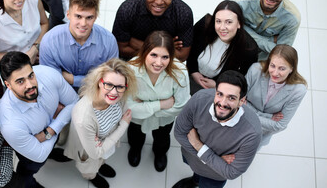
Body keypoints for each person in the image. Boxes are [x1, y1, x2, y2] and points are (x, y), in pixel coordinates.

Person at [0, 51, 79, 188]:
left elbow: (74, 102)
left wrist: (48, 132)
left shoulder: (47, 74)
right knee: (29, 169)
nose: (30, 85)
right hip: (31, 158)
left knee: (51, 147)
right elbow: (40, 155)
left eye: (31, 76)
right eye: (20, 81)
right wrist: (59, 119)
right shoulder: (9, 124)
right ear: (8, 85)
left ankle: (53, 153)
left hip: (48, 135)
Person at [173, 70, 261, 188]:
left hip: (215, 175)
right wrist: (216, 159)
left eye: (231, 98)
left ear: (242, 101)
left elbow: (231, 172)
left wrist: (198, 145)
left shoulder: (252, 132)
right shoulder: (200, 98)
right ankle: (195, 181)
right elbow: (179, 133)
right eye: (220, 94)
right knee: (196, 173)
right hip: (194, 160)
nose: (222, 103)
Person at [64, 59, 137, 188]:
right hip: (89, 153)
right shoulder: (84, 117)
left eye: (120, 87)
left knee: (102, 158)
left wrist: (102, 143)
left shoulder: (119, 98)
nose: (114, 92)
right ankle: (92, 177)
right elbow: (94, 153)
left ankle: (102, 165)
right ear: (99, 82)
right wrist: (124, 125)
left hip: (104, 143)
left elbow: (122, 111)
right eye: (108, 84)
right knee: (89, 169)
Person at [126, 31, 190, 172]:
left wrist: (143, 105)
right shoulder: (131, 69)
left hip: (164, 120)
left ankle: (160, 154)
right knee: (135, 137)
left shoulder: (180, 72)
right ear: (145, 52)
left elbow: (181, 106)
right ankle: (136, 149)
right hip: (138, 119)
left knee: (162, 139)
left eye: (165, 57)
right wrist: (161, 104)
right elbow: (128, 106)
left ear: (171, 57)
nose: (159, 63)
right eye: (154, 55)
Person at [39, 0, 118, 90]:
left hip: (96, 91)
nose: (83, 23)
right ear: (68, 14)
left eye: (89, 17)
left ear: (95, 17)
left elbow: (110, 80)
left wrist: (72, 79)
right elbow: (50, 79)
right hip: (59, 90)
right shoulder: (50, 40)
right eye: (78, 16)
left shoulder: (109, 41)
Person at [112, 0, 193, 62]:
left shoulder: (183, 13)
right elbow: (121, 49)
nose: (159, 2)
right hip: (131, 62)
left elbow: (182, 56)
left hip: (166, 67)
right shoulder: (128, 9)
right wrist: (166, 47)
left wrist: (135, 43)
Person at [187, 0, 258, 95]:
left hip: (220, 90)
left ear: (239, 23)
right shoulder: (204, 26)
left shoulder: (249, 49)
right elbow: (190, 51)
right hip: (190, 77)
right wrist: (193, 72)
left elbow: (241, 79)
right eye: (218, 21)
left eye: (229, 22)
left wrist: (218, 84)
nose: (222, 27)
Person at [245, 44, 307, 147]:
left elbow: (280, 125)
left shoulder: (298, 91)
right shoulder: (255, 70)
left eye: (282, 69)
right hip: (238, 123)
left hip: (260, 134)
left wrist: (247, 109)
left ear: (292, 68)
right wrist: (268, 117)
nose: (275, 73)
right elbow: (237, 102)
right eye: (272, 66)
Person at [236, 0, 300, 60]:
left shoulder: (292, 19)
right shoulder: (242, 2)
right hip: (235, 49)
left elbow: (280, 53)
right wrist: (271, 40)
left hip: (261, 61)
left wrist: (244, 30)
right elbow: (231, 29)